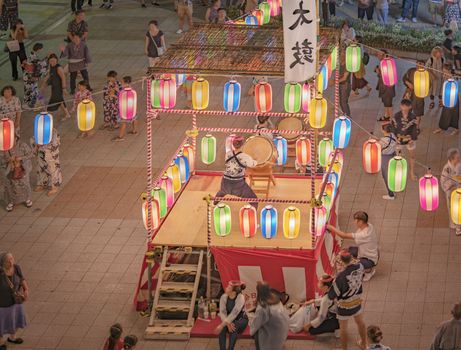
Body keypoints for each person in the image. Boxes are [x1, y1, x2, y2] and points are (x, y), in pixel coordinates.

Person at [327, 250, 367, 350]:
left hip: (344, 305)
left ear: (341, 261)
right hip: (357, 300)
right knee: (360, 322)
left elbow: (331, 295)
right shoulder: (360, 267)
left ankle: (344, 349)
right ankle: (364, 343)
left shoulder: (340, 277)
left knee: (343, 328)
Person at [328, 211, 378, 281]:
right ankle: (365, 268)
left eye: (356, 220)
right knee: (345, 251)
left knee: (348, 264)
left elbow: (344, 235)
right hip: (364, 252)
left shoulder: (364, 234)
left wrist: (330, 228)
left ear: (361, 221)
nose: (354, 222)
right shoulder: (369, 226)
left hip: (369, 259)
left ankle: (368, 271)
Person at [214, 136, 258, 208]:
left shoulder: (228, 154)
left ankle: (214, 203)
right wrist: (255, 160)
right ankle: (253, 215)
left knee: (221, 192)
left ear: (233, 145)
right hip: (238, 185)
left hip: (225, 182)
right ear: (243, 145)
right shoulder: (245, 157)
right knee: (254, 199)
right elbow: (253, 164)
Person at [249, 281, 289, 350]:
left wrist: (251, 328)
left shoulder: (263, 307)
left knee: (255, 333)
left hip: (272, 336)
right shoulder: (276, 299)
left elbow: (255, 325)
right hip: (283, 331)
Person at [0, 253, 28, 349]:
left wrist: (26, 289)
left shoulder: (16, 268)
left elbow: (22, 278)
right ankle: (0, 342)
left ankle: (12, 337)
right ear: (2, 263)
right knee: (1, 323)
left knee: (16, 319)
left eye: (12, 259)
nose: (11, 262)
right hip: (3, 303)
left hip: (16, 301)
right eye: (8, 261)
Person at [0, 135, 33, 212]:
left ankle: (27, 199)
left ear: (16, 138)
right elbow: (1, 161)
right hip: (9, 170)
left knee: (24, 184)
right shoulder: (3, 149)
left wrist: (21, 158)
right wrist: (8, 160)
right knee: (9, 186)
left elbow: (31, 154)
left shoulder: (22, 145)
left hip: (22, 168)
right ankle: (10, 202)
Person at [215, 281, 248, 350]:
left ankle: (230, 348)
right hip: (229, 320)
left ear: (234, 292)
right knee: (222, 329)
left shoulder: (240, 297)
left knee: (234, 327)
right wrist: (227, 324)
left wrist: (222, 325)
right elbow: (222, 313)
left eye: (228, 287)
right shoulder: (223, 297)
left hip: (241, 319)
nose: (226, 288)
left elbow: (234, 313)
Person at [391, 99, 419, 180]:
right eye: (403, 106)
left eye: (406, 106)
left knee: (412, 156)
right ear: (400, 106)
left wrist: (412, 139)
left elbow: (415, 129)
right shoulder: (396, 116)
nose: (404, 108)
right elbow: (393, 128)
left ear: (410, 107)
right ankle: (399, 172)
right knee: (398, 156)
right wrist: (395, 138)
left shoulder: (413, 117)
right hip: (399, 140)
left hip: (410, 140)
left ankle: (412, 172)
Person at [31, 128, 62, 197]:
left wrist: (44, 146)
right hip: (40, 152)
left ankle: (54, 186)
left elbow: (55, 144)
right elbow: (33, 139)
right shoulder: (39, 129)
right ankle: (41, 184)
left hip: (50, 154)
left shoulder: (54, 132)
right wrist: (36, 144)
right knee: (40, 168)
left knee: (53, 169)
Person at [41, 54, 70, 120]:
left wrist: (64, 88)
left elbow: (63, 78)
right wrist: (43, 84)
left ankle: (47, 116)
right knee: (60, 100)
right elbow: (48, 76)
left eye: (54, 61)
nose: (52, 62)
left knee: (54, 101)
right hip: (54, 87)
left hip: (58, 88)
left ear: (56, 60)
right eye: (51, 61)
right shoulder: (51, 67)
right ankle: (67, 114)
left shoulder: (58, 68)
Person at [441, 148, 461, 236]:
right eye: (457, 157)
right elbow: (443, 183)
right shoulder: (446, 169)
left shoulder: (459, 165)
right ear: (452, 158)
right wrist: (453, 182)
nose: (459, 158)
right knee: (453, 209)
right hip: (451, 192)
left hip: (459, 189)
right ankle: (456, 226)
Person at [434, 64, 459, 135]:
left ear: (449, 71)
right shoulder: (445, 76)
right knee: (445, 113)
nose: (443, 72)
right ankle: (442, 127)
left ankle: (455, 129)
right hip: (447, 96)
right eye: (443, 71)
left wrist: (450, 76)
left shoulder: (454, 77)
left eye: (444, 71)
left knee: (454, 113)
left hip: (453, 97)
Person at [112, 76, 138, 142]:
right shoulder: (131, 89)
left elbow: (120, 97)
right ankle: (134, 131)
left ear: (125, 82)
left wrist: (114, 94)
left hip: (124, 109)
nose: (121, 83)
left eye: (122, 82)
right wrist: (118, 90)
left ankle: (120, 136)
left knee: (123, 122)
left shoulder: (123, 91)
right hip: (132, 108)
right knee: (134, 119)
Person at [402, 60, 427, 127]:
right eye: (418, 64)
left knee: (418, 111)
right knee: (407, 109)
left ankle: (417, 127)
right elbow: (404, 78)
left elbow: (428, 86)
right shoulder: (411, 70)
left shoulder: (425, 74)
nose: (419, 66)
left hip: (419, 95)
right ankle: (407, 124)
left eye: (421, 64)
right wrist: (408, 83)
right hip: (409, 93)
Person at [375, 51, 395, 122]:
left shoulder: (387, 63)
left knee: (388, 103)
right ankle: (387, 115)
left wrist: (378, 72)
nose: (377, 56)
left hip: (387, 87)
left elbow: (385, 76)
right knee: (385, 102)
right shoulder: (384, 62)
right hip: (384, 86)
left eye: (379, 55)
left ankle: (391, 119)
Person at [379, 124, 397, 200]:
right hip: (393, 155)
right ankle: (395, 185)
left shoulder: (383, 140)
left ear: (383, 130)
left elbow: (378, 147)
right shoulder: (393, 135)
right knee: (392, 173)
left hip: (385, 157)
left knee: (386, 176)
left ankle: (391, 194)